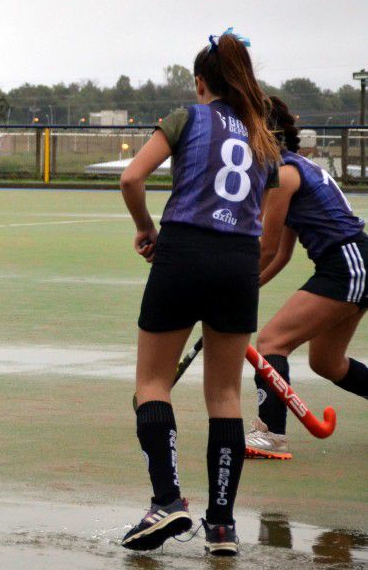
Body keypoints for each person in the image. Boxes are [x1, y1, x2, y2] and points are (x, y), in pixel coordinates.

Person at [118, 30, 279, 556]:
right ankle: (223, 526)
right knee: (226, 396)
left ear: (202, 82)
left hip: (183, 251)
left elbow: (131, 178)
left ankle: (167, 500)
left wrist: (146, 228)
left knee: (152, 381)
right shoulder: (262, 135)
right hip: (238, 262)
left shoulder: (186, 117)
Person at [246, 96, 367, 460]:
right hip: (351, 262)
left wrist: (230, 289)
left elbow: (265, 251)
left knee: (271, 342)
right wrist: (246, 289)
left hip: (347, 263)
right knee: (327, 363)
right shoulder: (292, 168)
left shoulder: (283, 175)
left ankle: (271, 435)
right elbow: (282, 255)